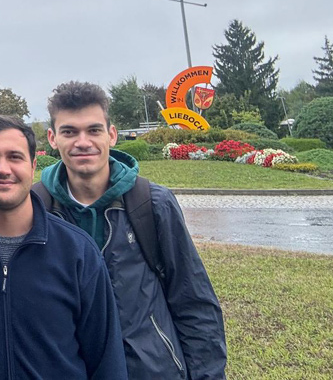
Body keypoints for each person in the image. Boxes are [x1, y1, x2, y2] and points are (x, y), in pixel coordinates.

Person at [38, 81, 227, 380]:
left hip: (150, 370)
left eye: (94, 130)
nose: (83, 142)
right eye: (69, 132)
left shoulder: (152, 203)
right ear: (53, 138)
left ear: (111, 135)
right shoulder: (37, 209)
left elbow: (194, 302)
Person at [0, 114, 127, 380]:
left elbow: (106, 360)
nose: (2, 169)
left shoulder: (77, 252)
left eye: (15, 157)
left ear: (33, 166)